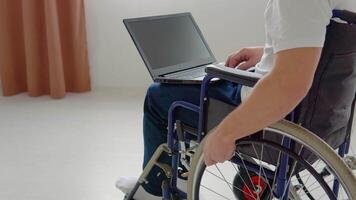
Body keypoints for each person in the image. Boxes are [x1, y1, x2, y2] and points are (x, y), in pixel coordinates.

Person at [117, 0, 356, 199]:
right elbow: (319, 44)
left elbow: (289, 84)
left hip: (278, 115)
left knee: (160, 95)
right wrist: (270, 51)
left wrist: (224, 134)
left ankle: (150, 191)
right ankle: (178, 170)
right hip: (326, 123)